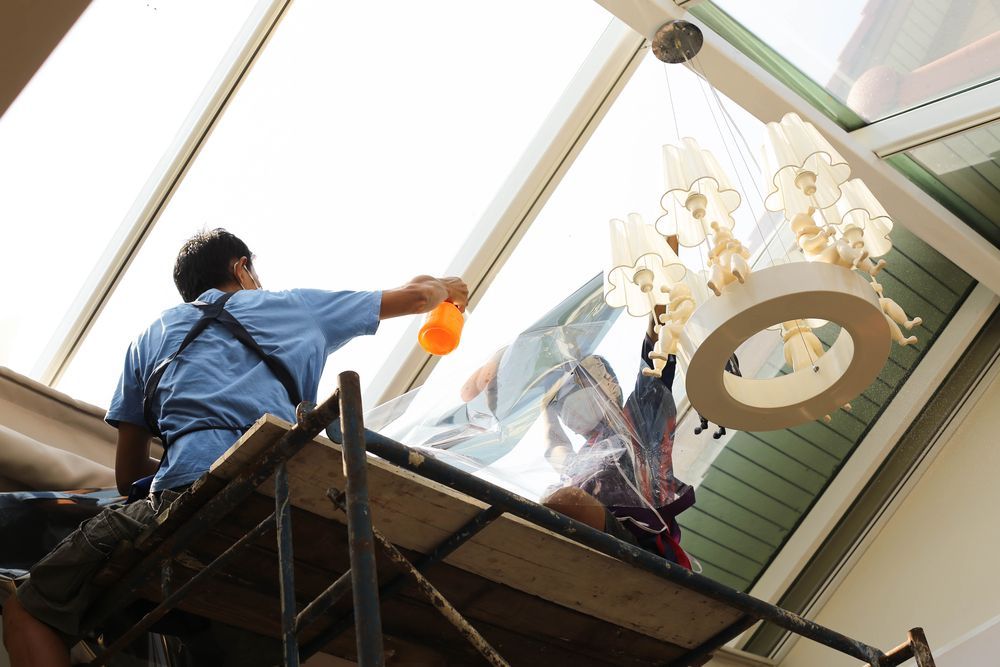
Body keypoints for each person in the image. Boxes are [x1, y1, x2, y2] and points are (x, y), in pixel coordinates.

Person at [2, 228, 469, 667]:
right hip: (280, 513)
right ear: (242, 268)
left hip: (180, 505)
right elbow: (414, 297)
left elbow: (127, 479)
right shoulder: (293, 308)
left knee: (29, 608)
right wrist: (446, 287)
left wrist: (192, 455)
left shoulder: (148, 340)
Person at [538, 307, 694, 566]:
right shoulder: (584, 459)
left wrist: (656, 332)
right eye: (559, 405)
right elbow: (555, 449)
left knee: (566, 501)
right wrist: (547, 411)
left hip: (635, 546)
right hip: (594, 538)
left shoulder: (635, 425)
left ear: (605, 384)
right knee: (549, 504)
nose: (565, 409)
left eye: (571, 392)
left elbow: (654, 378)